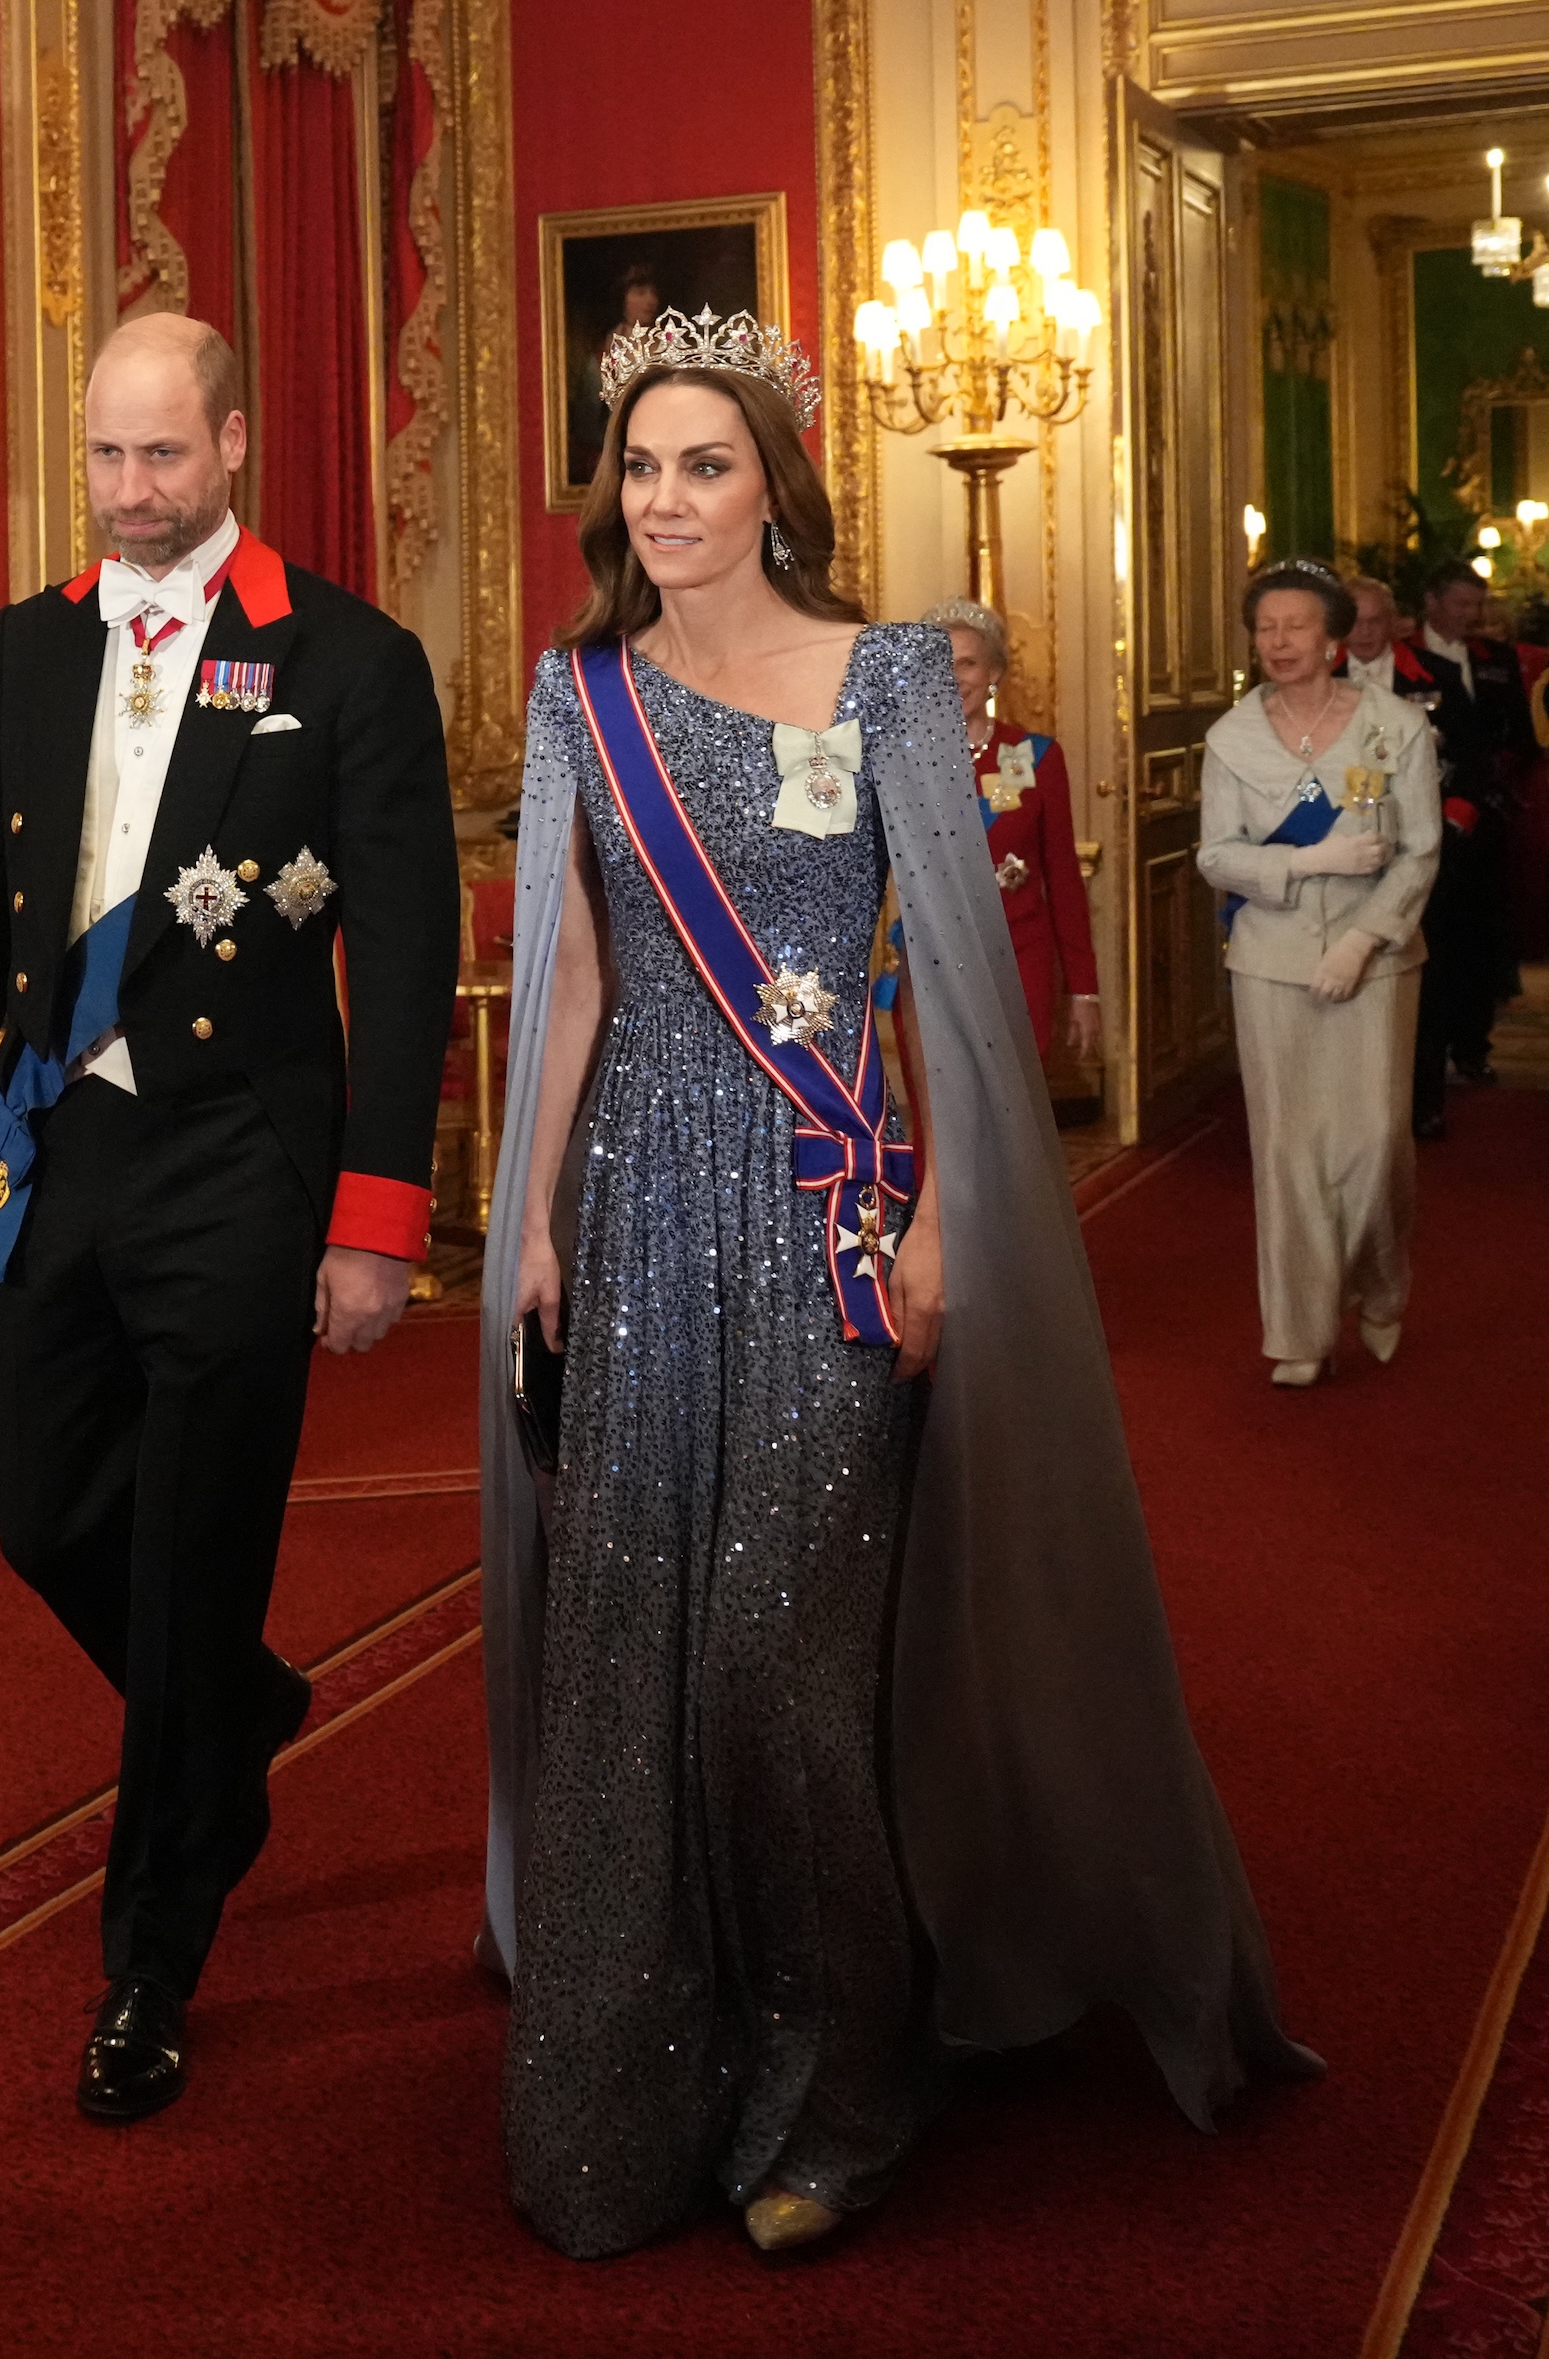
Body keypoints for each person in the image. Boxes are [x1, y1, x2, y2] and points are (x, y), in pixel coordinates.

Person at [483, 313, 1309, 2265]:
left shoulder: (887, 685)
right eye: (642, 468)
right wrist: (526, 1217)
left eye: (706, 463)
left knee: (779, 1667)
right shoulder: (576, 693)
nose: (668, 500)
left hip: (830, 1202)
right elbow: (577, 978)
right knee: (631, 1657)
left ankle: (853, 2074)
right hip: (634, 1201)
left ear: (775, 477)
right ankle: (650, 2068)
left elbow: (942, 965)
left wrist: (942, 1213)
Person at [0, 312, 457, 2124]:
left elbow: (413, 943)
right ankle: (237, 1704)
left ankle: (151, 1955)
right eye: (106, 457)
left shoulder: (348, 657)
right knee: (45, 1508)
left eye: (163, 456)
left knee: (195, 1546)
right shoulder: (31, 641)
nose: (132, 494)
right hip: (55, 1148)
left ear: (232, 444)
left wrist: (376, 1212)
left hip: (241, 1163)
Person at [1199, 562, 1441, 1383]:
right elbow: (1217, 855)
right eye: (1266, 628)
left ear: (1334, 639)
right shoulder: (1232, 738)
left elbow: (1419, 851)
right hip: (1270, 959)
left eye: (1296, 626)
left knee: (1375, 1140)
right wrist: (1306, 861)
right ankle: (1299, 1330)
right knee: (1288, 1149)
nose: (1279, 642)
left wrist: (1365, 937)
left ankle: (1379, 1280)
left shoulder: (1394, 726)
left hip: (1374, 963)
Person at [929, 598, 1100, 1077]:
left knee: (1019, 1113)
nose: (953, 676)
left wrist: (1084, 991)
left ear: (994, 674)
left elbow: (1064, 879)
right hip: (934, 965)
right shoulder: (902, 764)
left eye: (967, 663)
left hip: (1020, 959)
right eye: (938, 663)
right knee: (946, 1119)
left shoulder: (1032, 757)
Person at [1403, 563, 1533, 1132]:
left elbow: (1520, 741)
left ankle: (1473, 1047)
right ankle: (1426, 1048)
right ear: (1431, 602)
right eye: (1460, 604)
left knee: (1481, 931)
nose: (1471, 616)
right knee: (1435, 935)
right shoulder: (1404, 662)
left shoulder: (1497, 662)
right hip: (1421, 820)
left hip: (1483, 822)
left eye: (1476, 606)